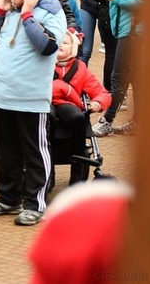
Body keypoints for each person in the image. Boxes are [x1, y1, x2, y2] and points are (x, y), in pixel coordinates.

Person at [0, 0, 67, 226]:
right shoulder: (7, 10)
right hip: (3, 93)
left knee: (35, 152)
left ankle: (34, 203)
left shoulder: (51, 13)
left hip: (31, 97)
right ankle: (8, 197)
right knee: (6, 150)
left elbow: (47, 46)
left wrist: (28, 16)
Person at [92, 0, 144, 137]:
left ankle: (107, 120)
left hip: (132, 32)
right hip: (127, 30)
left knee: (119, 76)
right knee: (134, 78)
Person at [52, 29, 111, 184]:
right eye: (57, 41)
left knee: (79, 117)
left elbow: (101, 92)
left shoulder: (80, 69)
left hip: (69, 106)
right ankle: (47, 172)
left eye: (65, 43)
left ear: (73, 48)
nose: (60, 45)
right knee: (46, 116)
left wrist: (98, 102)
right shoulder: (42, 64)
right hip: (46, 103)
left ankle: (77, 168)